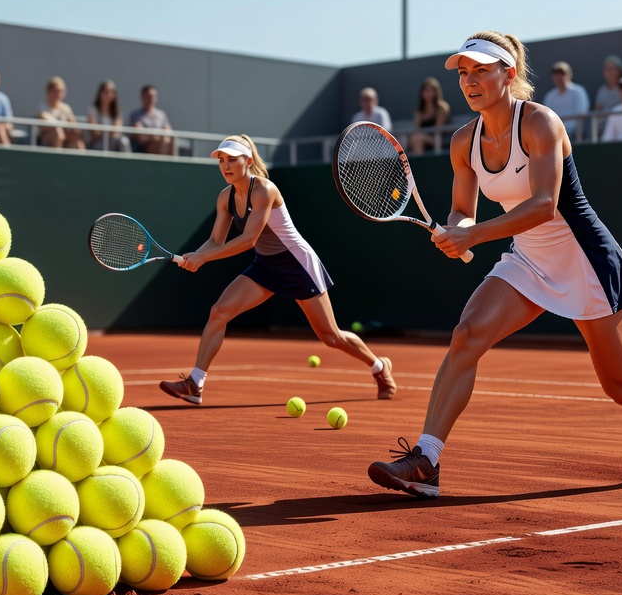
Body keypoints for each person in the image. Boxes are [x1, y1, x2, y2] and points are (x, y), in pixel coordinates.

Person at [366, 30, 622, 499]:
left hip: (585, 259)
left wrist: (473, 233)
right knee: (467, 335)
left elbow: (544, 206)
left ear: (508, 74)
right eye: (463, 74)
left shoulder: (540, 124)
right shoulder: (462, 142)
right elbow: (461, 208)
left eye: (481, 71)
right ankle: (426, 459)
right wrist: (457, 228)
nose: (470, 82)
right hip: (528, 259)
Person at [159, 135, 397, 406]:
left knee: (331, 336)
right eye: (222, 161)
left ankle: (379, 366)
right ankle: (196, 383)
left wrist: (204, 259)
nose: (225, 166)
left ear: (247, 161)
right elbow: (216, 240)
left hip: (297, 264)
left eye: (232, 160)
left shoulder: (264, 190)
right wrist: (197, 255)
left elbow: (249, 239)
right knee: (219, 311)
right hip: (266, 265)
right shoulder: (225, 197)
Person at [541, 61, 589, 138]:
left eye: (562, 74)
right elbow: (545, 117)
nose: (559, 77)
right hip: (554, 135)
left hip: (575, 136)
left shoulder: (578, 92)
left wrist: (564, 132)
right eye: (556, 74)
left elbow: (582, 114)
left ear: (569, 75)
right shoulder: (550, 96)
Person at [36, 76, 83, 149]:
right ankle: (57, 159)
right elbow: (45, 120)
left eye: (60, 91)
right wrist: (64, 125)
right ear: (48, 91)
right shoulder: (42, 107)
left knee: (77, 141)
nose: (57, 93)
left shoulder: (66, 108)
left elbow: (73, 124)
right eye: (55, 90)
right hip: (45, 138)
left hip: (65, 136)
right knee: (58, 133)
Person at [408, 78, 450, 155]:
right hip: (421, 140)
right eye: (426, 90)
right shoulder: (419, 111)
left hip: (439, 140)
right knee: (409, 139)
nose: (428, 93)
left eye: (431, 90)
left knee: (417, 138)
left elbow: (438, 130)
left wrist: (422, 136)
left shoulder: (442, 107)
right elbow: (416, 129)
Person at [129, 85, 174, 155]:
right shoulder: (136, 115)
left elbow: (168, 131)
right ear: (142, 97)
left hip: (163, 144)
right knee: (162, 141)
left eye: (154, 97)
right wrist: (159, 136)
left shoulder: (161, 114)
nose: (151, 99)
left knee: (173, 141)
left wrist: (153, 136)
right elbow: (141, 137)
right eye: (149, 96)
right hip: (144, 148)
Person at [86, 80, 130, 152]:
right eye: (106, 91)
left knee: (124, 142)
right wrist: (108, 132)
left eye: (112, 92)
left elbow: (116, 130)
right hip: (97, 142)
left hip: (113, 142)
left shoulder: (117, 111)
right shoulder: (93, 109)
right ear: (100, 93)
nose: (108, 95)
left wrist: (105, 131)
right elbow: (96, 131)